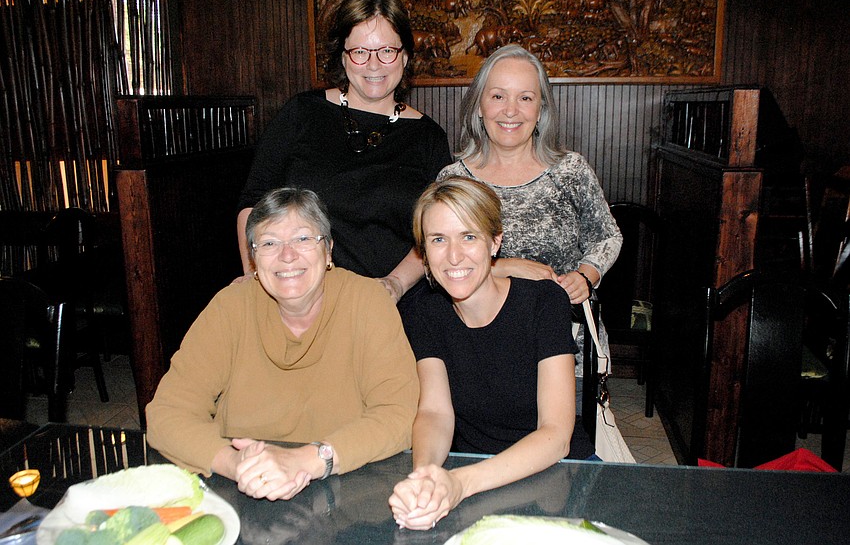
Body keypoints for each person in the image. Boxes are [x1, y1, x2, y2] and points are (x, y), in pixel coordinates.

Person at [147, 187, 419, 501]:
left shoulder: (366, 301)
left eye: (303, 239)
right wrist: (237, 464)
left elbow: (399, 415)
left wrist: (306, 460)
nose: (287, 255)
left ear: (328, 251)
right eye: (269, 243)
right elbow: (167, 414)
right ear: (253, 259)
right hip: (240, 490)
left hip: (343, 495)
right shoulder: (231, 306)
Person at [388, 177, 594, 530]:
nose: (454, 256)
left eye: (469, 236)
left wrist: (460, 483)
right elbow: (435, 412)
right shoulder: (424, 311)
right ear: (424, 252)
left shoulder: (544, 303)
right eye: (438, 240)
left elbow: (556, 435)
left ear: (495, 241)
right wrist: (426, 475)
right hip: (474, 478)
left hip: (556, 481)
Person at [437, 44, 622, 412]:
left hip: (566, 348)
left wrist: (585, 276)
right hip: (479, 352)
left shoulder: (570, 170)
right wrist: (505, 267)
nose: (511, 110)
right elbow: (435, 261)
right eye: (498, 96)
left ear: (541, 109)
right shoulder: (455, 179)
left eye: (525, 97)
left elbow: (607, 235)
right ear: (479, 106)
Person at [237, 0, 452, 303]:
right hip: (300, 298)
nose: (374, 64)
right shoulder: (302, 113)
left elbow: (439, 232)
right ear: (343, 56)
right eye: (360, 52)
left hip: (391, 305)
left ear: (404, 56)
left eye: (387, 51)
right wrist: (255, 281)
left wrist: (395, 284)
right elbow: (253, 203)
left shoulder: (428, 137)